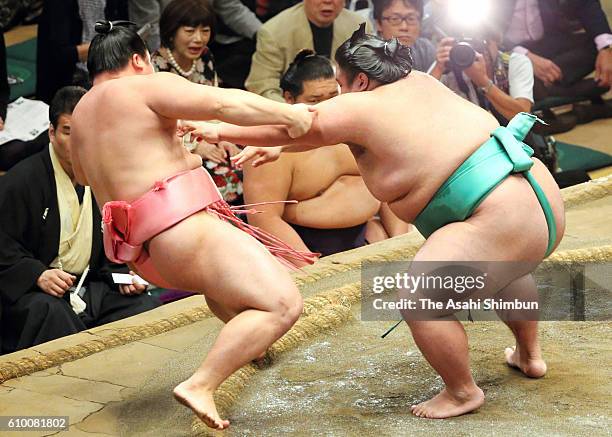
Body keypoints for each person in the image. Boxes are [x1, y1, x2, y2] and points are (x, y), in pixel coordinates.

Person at [191, 24, 566, 419]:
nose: (338, 94)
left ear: (362, 79)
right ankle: (530, 356)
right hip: (536, 195)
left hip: (496, 215)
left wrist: (219, 129)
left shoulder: (360, 103)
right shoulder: (422, 82)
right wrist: (278, 144)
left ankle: (461, 393)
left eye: (340, 84)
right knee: (507, 270)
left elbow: (302, 123)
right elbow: (314, 131)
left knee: (420, 300)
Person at [70, 20, 316, 430]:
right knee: (283, 304)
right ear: (138, 59)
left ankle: (249, 348)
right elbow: (222, 102)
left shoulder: (79, 112)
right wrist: (290, 115)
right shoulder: (143, 84)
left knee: (232, 291)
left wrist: (165, 145)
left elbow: (82, 175)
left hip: (141, 256)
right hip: (180, 231)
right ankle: (202, 383)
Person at [0, 86, 160, 355]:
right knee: (52, 316)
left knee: (143, 309)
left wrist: (123, 276)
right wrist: (36, 274)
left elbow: (112, 245)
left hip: (90, 285)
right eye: (67, 131)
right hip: (40, 293)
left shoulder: (103, 175)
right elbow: (3, 244)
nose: (77, 142)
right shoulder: (22, 181)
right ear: (51, 133)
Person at [243, 49, 409, 263]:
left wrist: (400, 243)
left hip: (367, 236)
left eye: (333, 97)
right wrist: (313, 271)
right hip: (302, 251)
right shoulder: (269, 145)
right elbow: (264, 219)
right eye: (314, 100)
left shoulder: (358, 127)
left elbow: (389, 188)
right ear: (289, 99)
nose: (325, 107)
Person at [152, 0, 244, 204]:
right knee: (223, 179)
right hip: (172, 146)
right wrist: (196, 147)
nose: (198, 39)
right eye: (189, 31)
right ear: (171, 32)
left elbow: (216, 102)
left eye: (205, 30)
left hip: (209, 134)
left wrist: (224, 136)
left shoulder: (205, 57)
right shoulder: (156, 67)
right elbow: (160, 124)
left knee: (246, 162)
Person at [245, 0, 373, 101]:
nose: (327, 1)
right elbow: (262, 85)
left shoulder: (360, 26)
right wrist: (290, 113)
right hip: (294, 114)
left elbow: (372, 79)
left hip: (347, 111)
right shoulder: (274, 31)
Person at [36, 0, 128, 103]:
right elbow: (59, 54)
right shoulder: (59, 5)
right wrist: (104, 47)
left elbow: (121, 27)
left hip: (105, 65)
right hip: (74, 75)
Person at [372, 0, 436, 72]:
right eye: (395, 19)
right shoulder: (366, 58)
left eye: (411, 19)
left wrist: (439, 67)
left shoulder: (425, 50)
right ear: (378, 24)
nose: (404, 27)